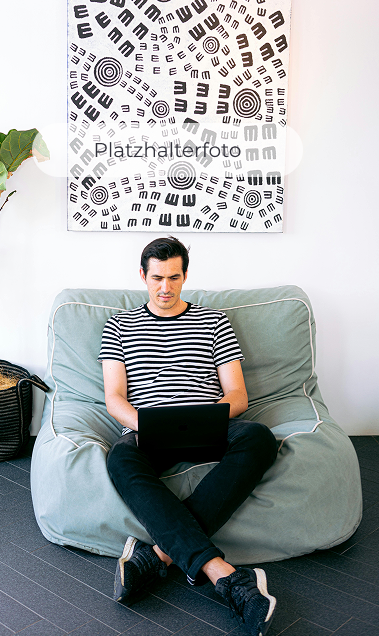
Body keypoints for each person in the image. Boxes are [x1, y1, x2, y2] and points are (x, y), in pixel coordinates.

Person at [99, 236, 279, 636]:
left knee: (260, 438)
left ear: (185, 276)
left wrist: (206, 415)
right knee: (120, 458)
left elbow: (238, 395)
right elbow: (114, 399)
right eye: (158, 278)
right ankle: (225, 576)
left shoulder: (213, 321)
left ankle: (159, 556)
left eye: (174, 277)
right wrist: (149, 424)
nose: (166, 287)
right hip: (149, 427)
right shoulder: (119, 325)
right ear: (143, 276)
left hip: (208, 424)